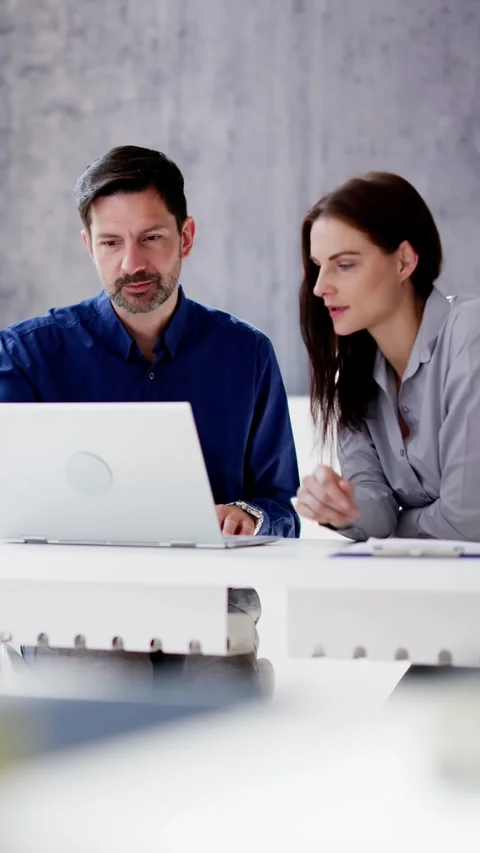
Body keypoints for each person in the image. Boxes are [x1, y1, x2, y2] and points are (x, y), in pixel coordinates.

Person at [0, 145, 300, 688]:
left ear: (185, 236)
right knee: (109, 693)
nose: (132, 264)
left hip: (210, 603)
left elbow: (283, 508)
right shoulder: (25, 356)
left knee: (223, 709)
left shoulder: (246, 354)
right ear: (89, 245)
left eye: (151, 238)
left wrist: (246, 514)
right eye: (112, 242)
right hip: (71, 603)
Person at [296, 171, 480, 543]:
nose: (319, 287)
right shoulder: (353, 372)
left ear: (404, 262)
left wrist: (398, 525)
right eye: (319, 266)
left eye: (344, 264)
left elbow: (466, 522)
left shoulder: (470, 335)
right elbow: (376, 512)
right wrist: (343, 506)